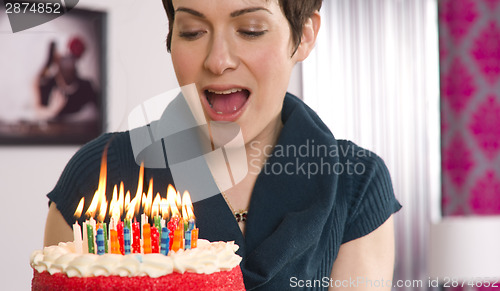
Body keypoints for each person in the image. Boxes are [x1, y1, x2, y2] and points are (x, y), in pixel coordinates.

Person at [44, 0, 402, 290]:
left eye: (250, 30)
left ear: (304, 35)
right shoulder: (100, 173)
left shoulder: (356, 183)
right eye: (192, 31)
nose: (217, 61)